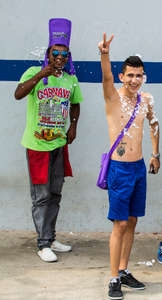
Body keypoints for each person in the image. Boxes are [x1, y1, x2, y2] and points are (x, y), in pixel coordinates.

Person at [14, 18, 83, 263]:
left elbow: (75, 104)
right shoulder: (35, 73)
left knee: (55, 193)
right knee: (41, 196)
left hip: (58, 144)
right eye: (56, 53)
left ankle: (50, 237)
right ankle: (42, 244)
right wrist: (42, 74)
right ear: (48, 54)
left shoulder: (69, 79)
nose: (60, 58)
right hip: (37, 146)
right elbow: (18, 94)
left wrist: (73, 126)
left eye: (65, 55)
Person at [98, 33, 160, 299]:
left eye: (139, 75)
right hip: (119, 169)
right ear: (122, 76)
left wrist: (156, 154)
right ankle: (113, 278)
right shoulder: (114, 97)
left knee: (133, 221)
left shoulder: (145, 99)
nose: (135, 80)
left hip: (138, 167)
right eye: (130, 75)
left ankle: (124, 270)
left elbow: (154, 125)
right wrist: (104, 54)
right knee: (120, 225)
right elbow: (106, 79)